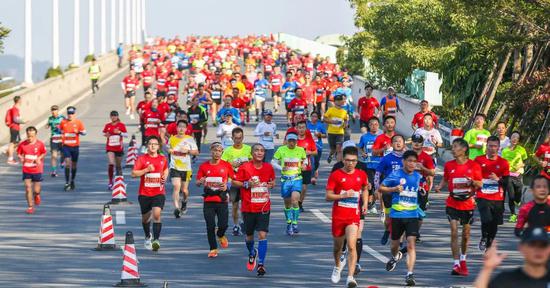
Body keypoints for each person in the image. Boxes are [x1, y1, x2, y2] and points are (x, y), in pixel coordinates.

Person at [435, 138, 483, 276]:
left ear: (464, 149)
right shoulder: (449, 165)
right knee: (454, 231)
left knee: (466, 235)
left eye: (456, 146)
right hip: (452, 202)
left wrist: (472, 181)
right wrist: (439, 186)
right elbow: (445, 178)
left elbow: (480, 184)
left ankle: (463, 260)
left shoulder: (474, 166)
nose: (453, 149)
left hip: (467, 203)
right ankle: (456, 264)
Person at [327, 146, 369, 288]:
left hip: (353, 216)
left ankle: (350, 277)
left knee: (352, 245)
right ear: (343, 160)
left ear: (357, 161)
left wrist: (365, 203)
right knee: (337, 247)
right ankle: (338, 266)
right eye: (348, 160)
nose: (350, 163)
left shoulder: (361, 174)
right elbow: (328, 196)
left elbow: (365, 188)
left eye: (353, 161)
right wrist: (342, 195)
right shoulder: (336, 175)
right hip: (339, 216)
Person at [379, 150, 423, 286]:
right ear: (403, 161)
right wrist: (393, 190)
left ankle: (409, 274)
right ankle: (396, 255)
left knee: (411, 244)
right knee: (394, 246)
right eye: (409, 160)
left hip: (412, 215)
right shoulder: (396, 174)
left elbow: (420, 188)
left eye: (414, 161)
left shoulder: (417, 176)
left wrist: (422, 191)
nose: (412, 163)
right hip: (397, 215)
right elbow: (381, 188)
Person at [232, 143, 276, 276]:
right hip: (248, 207)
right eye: (257, 150)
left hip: (263, 207)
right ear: (252, 153)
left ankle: (261, 264)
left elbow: (272, 182)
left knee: (262, 235)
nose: (259, 153)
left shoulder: (269, 167)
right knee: (249, 236)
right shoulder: (245, 167)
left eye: (262, 151)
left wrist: (271, 184)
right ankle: (252, 253)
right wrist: (247, 184)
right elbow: (235, 182)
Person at [474, 227, 550, 288]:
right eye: (532, 245)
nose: (538, 250)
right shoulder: (506, 280)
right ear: (521, 248)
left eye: (543, 245)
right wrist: (487, 269)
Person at [131, 135, 169, 252]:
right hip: (144, 193)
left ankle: (156, 240)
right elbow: (133, 174)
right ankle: (148, 236)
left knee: (157, 215)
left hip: (158, 192)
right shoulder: (142, 159)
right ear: (147, 146)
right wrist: (146, 170)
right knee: (145, 219)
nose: (153, 146)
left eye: (155, 144)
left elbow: (166, 169)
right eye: (150, 144)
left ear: (158, 146)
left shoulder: (162, 159)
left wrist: (165, 177)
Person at [196, 142, 234, 258]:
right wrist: (200, 182)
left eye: (219, 151)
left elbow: (234, 179)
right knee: (210, 225)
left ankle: (220, 234)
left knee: (223, 225)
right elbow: (197, 182)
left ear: (222, 152)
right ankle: (213, 248)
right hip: (208, 200)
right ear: (211, 151)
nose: (217, 153)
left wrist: (227, 185)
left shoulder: (226, 165)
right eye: (215, 150)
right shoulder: (204, 166)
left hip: (222, 200)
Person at [475, 136, 510, 252]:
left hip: (497, 197)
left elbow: (506, 183)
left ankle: (489, 242)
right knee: (486, 218)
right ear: (486, 147)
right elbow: (473, 176)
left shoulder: (503, 163)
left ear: (499, 147)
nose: (492, 148)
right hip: (482, 195)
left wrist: (497, 179)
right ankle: (484, 237)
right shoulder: (478, 160)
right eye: (490, 146)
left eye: (495, 146)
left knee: (494, 222)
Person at [272, 132, 307, 235]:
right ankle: (289, 223)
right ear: (287, 141)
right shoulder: (281, 150)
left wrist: (304, 165)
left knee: (295, 200)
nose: (292, 143)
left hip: (297, 178)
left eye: (294, 141)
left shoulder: (300, 150)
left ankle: (295, 223)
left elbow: (305, 160)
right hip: (285, 180)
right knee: (287, 204)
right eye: (290, 140)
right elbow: (273, 162)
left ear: (296, 141)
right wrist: (281, 168)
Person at [375, 134, 406, 245]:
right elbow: (378, 173)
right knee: (389, 218)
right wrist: (377, 188)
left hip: (403, 192)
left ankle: (400, 240)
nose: (398, 143)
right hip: (388, 191)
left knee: (401, 216)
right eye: (395, 141)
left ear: (404, 144)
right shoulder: (386, 158)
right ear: (391, 144)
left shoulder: (407, 158)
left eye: (400, 141)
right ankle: (387, 230)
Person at [221, 127, 252, 236]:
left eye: (240, 138)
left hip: (246, 181)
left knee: (246, 204)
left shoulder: (248, 149)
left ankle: (244, 222)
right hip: (234, 181)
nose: (238, 140)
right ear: (232, 138)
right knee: (235, 205)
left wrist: (246, 162)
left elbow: (254, 162)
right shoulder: (228, 150)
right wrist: (231, 165)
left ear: (242, 137)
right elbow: (222, 164)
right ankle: (235, 225)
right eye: (236, 138)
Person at [168, 120, 199, 218]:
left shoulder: (190, 139)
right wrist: (170, 150)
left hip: (186, 168)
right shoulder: (172, 139)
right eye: (179, 126)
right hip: (175, 166)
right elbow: (167, 148)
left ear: (186, 129)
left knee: (184, 190)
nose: (181, 129)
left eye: (183, 127)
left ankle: (184, 202)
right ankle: (177, 208)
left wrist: (188, 151)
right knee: (176, 186)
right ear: (176, 128)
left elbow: (196, 152)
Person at [410, 134, 436, 243]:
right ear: (411, 142)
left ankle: (416, 231)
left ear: (422, 143)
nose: (416, 144)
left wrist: (422, 168)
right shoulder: (407, 155)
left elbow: (432, 172)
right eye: (414, 141)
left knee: (419, 213)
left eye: (419, 142)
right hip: (408, 187)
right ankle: (409, 231)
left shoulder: (426, 157)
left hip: (422, 187)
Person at [17, 126, 47, 214]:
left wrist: (39, 158)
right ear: (26, 134)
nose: (30, 138)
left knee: (36, 190)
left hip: (37, 170)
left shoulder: (40, 144)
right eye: (28, 136)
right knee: (27, 188)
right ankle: (30, 207)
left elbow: (44, 152)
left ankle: (37, 195)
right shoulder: (22, 144)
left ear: (36, 135)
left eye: (32, 136)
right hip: (26, 169)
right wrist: (21, 158)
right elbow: (19, 153)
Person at [501, 131, 528, 222]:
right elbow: (502, 163)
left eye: (517, 137)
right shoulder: (505, 150)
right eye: (513, 137)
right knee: (511, 196)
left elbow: (525, 161)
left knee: (518, 193)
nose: (515, 139)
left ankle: (518, 199)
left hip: (518, 175)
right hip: (508, 175)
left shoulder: (521, 149)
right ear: (510, 138)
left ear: (519, 139)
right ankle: (513, 214)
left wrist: (520, 165)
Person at [358, 117, 382, 213]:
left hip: (379, 165)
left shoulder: (381, 137)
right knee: (369, 185)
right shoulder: (364, 137)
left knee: (377, 186)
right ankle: (369, 204)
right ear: (368, 126)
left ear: (378, 126)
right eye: (371, 124)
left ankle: (371, 204)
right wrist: (362, 152)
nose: (374, 126)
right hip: (368, 164)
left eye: (376, 124)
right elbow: (360, 147)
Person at [59, 106, 86, 191]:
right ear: (67, 114)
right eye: (69, 113)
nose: (70, 115)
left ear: (74, 114)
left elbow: (84, 132)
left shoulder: (78, 122)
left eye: (72, 113)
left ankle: (72, 180)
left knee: (74, 165)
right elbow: (60, 130)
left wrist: (78, 132)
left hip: (75, 147)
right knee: (67, 163)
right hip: (66, 146)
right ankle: (67, 182)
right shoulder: (63, 122)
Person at [102, 111, 127, 190]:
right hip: (110, 148)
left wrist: (119, 133)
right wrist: (106, 134)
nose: (113, 117)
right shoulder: (108, 125)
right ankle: (110, 182)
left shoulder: (121, 125)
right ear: (110, 117)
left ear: (117, 116)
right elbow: (103, 132)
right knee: (111, 163)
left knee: (118, 166)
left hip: (119, 148)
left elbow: (126, 135)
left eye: (115, 116)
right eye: (112, 116)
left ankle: (120, 182)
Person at [324, 93, 349, 163]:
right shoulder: (330, 110)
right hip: (331, 132)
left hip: (340, 133)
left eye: (340, 100)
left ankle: (339, 164)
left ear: (342, 101)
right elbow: (324, 119)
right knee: (333, 149)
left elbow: (346, 120)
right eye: (337, 100)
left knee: (339, 149)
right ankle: (331, 155)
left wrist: (345, 125)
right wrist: (332, 121)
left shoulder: (344, 112)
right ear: (334, 102)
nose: (338, 102)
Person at [306, 111, 327, 184]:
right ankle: (312, 177)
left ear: (317, 118)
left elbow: (325, 135)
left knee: (317, 162)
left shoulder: (320, 125)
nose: (313, 118)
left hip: (318, 146)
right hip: (309, 146)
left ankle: (315, 170)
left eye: (315, 116)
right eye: (312, 116)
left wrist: (319, 134)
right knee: (312, 162)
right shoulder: (307, 125)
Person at [46, 105, 65, 177]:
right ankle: (54, 171)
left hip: (61, 138)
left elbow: (66, 126)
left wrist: (60, 128)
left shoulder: (62, 118)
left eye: (55, 110)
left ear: (58, 111)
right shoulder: (50, 118)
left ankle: (62, 161)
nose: (53, 111)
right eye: (52, 110)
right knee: (54, 156)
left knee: (63, 154)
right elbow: (47, 125)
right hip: (54, 139)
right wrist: (47, 125)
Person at [5, 96, 25, 165]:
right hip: (14, 127)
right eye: (21, 100)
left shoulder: (14, 109)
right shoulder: (15, 109)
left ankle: (8, 151)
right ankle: (10, 159)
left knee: (17, 142)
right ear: (19, 100)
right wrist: (23, 122)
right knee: (13, 143)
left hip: (15, 127)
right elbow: (15, 119)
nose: (22, 101)